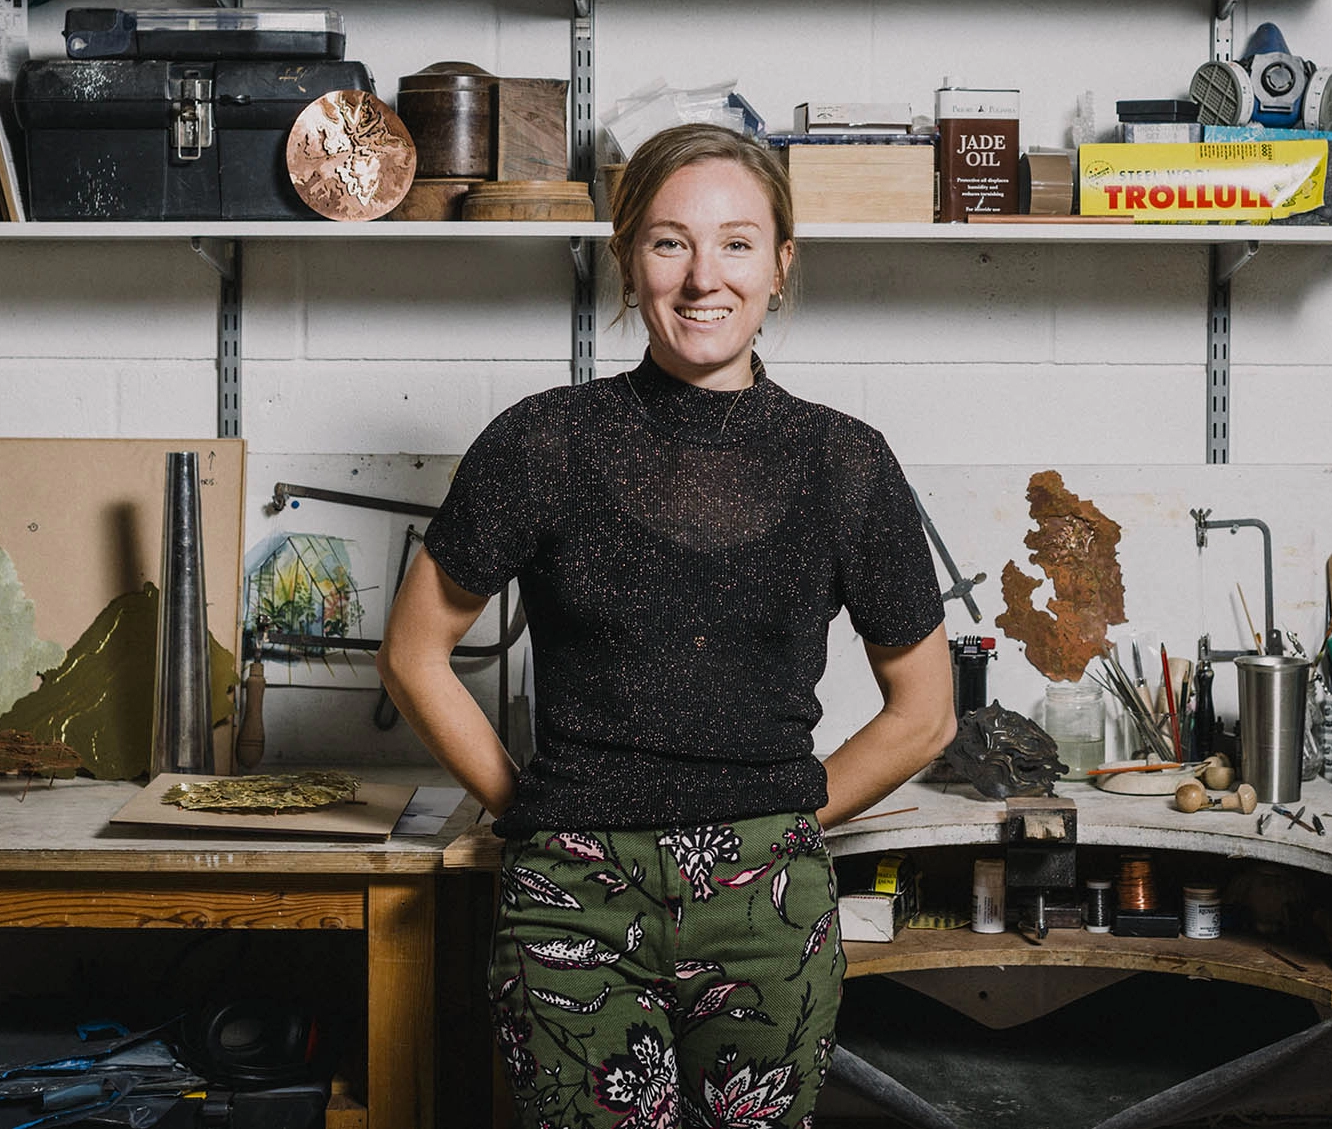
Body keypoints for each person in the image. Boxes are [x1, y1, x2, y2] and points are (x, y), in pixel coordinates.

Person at [377, 122, 955, 1129]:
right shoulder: (541, 443)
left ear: (782, 264)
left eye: (736, 242)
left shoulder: (846, 463)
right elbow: (415, 654)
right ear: (627, 259)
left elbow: (926, 715)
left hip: (769, 909)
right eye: (669, 241)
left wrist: (781, 826)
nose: (703, 278)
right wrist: (530, 804)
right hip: (572, 896)